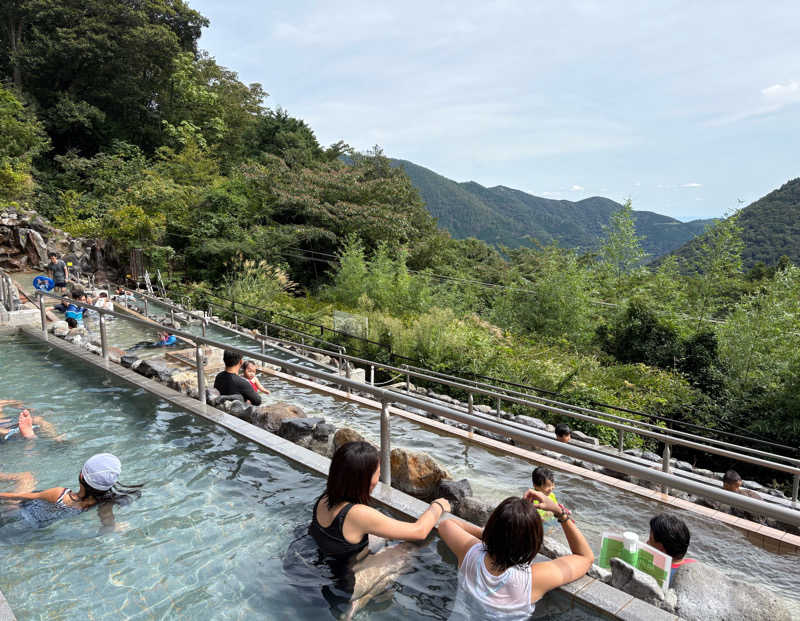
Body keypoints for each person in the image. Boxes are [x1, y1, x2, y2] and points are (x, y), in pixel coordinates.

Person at [300, 441, 451, 616]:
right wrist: (437, 506)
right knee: (406, 550)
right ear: (363, 479)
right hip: (344, 587)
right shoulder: (359, 515)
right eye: (376, 473)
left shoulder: (326, 497)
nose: (378, 478)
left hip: (322, 568)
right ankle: (355, 604)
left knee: (382, 539)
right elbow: (419, 531)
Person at [439, 490, 593, 620]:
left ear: (492, 526)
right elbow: (585, 557)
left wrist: (485, 534)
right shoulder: (534, 579)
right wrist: (560, 513)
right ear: (533, 542)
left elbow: (447, 524)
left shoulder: (469, 552)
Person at [0, 453, 141, 528]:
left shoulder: (59, 494)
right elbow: (108, 523)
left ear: (81, 476)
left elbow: (19, 496)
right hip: (39, 524)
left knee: (26, 477)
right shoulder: (105, 502)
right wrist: (116, 528)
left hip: (22, 512)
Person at [647, 513, 696, 579]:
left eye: (650, 539)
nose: (647, 542)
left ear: (660, 547)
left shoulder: (656, 570)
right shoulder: (692, 564)